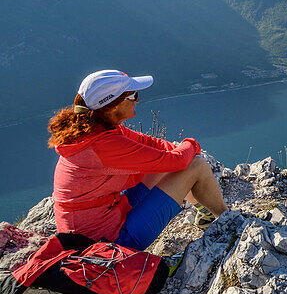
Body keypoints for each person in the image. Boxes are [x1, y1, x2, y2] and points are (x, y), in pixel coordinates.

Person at [47, 69, 228, 250]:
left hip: (107, 219)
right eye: (132, 96)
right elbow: (178, 162)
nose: (137, 100)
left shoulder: (97, 129)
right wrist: (191, 144)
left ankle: (206, 214)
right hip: (110, 243)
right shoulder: (103, 145)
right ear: (113, 105)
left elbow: (148, 143)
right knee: (195, 165)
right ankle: (229, 221)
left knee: (166, 163)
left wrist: (178, 151)